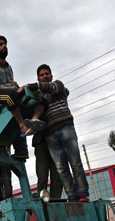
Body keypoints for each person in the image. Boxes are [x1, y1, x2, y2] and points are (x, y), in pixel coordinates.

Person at [21, 64, 89, 202]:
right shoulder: (38, 98)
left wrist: (29, 85)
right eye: (42, 75)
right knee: (61, 167)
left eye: (47, 74)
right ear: (39, 77)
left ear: (51, 76)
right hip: (50, 134)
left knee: (75, 162)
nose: (45, 76)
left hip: (66, 128)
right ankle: (72, 196)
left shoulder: (58, 85)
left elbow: (48, 87)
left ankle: (82, 194)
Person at [0, 35, 45, 160]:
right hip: (0, 94)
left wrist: (20, 90)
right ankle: (22, 125)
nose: (4, 46)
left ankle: (34, 119)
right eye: (0, 44)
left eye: (5, 44)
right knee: (10, 96)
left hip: (11, 90)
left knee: (37, 93)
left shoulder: (8, 67)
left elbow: (11, 83)